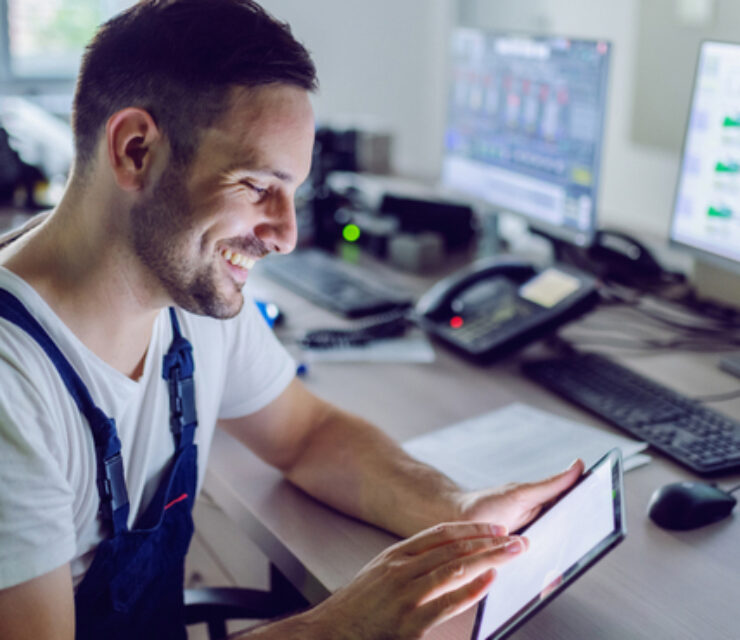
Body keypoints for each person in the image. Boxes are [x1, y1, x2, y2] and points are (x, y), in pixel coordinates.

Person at [0, 1, 584, 638]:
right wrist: (341, 627)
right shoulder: (13, 390)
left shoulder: (189, 295)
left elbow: (307, 436)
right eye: (256, 186)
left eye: (294, 193)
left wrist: (464, 510)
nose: (286, 235)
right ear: (136, 150)